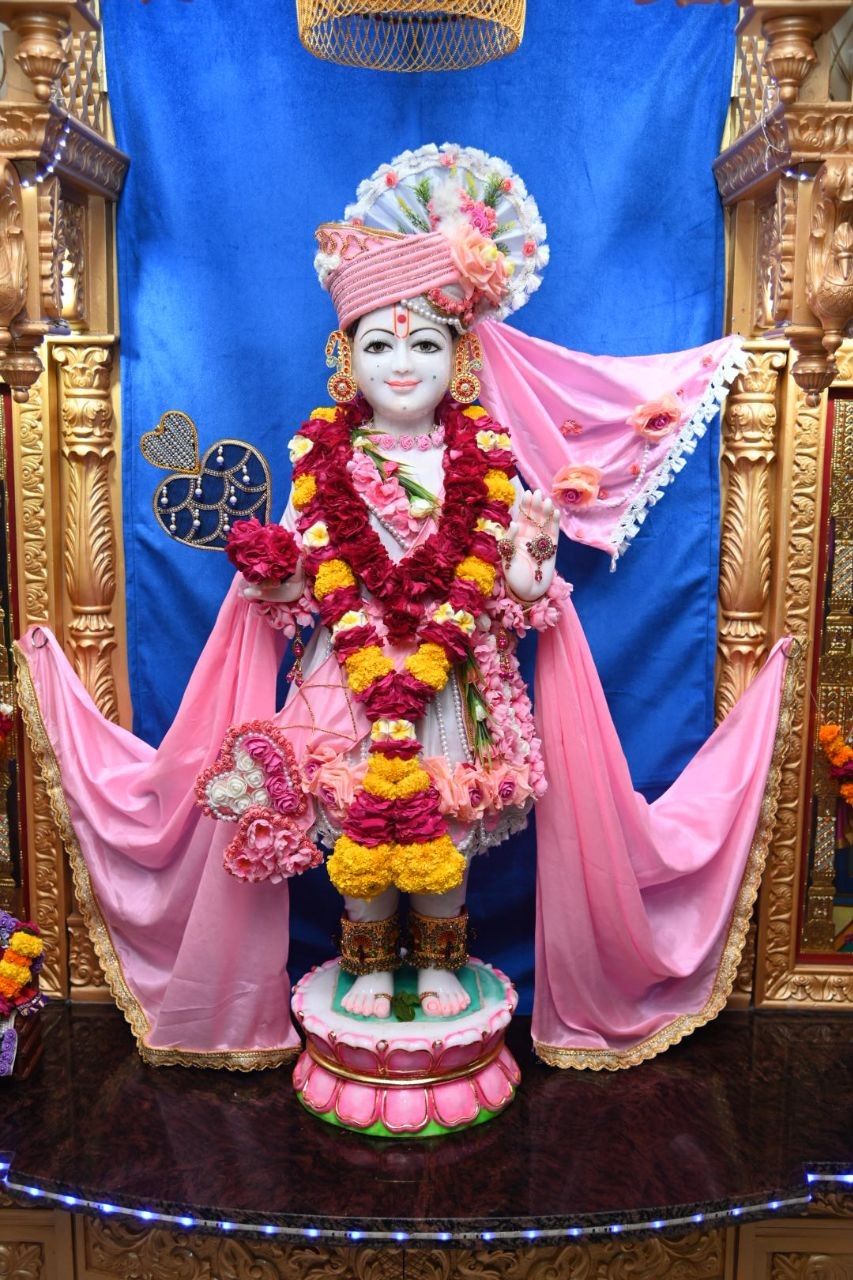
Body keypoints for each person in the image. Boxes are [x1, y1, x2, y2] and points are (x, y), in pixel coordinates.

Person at [14, 144, 792, 1070]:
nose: (402, 362)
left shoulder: (491, 462)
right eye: (379, 343)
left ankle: (441, 956)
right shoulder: (321, 461)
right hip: (341, 680)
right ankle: (370, 962)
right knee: (353, 829)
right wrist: (272, 571)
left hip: (451, 680)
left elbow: (514, 597)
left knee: (443, 831)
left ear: (459, 360)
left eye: (424, 342)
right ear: (346, 360)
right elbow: (301, 580)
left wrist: (534, 567)